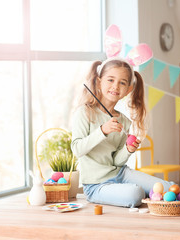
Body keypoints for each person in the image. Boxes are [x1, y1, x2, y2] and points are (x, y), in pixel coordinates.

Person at [71, 58, 174, 208]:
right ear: (99, 81)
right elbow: (77, 149)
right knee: (136, 194)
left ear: (128, 90)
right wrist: (102, 131)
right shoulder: (85, 112)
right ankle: (137, 195)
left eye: (122, 83)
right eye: (110, 80)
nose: (115, 86)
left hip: (120, 174)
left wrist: (127, 150)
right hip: (96, 185)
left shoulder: (124, 121)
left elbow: (115, 162)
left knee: (169, 188)